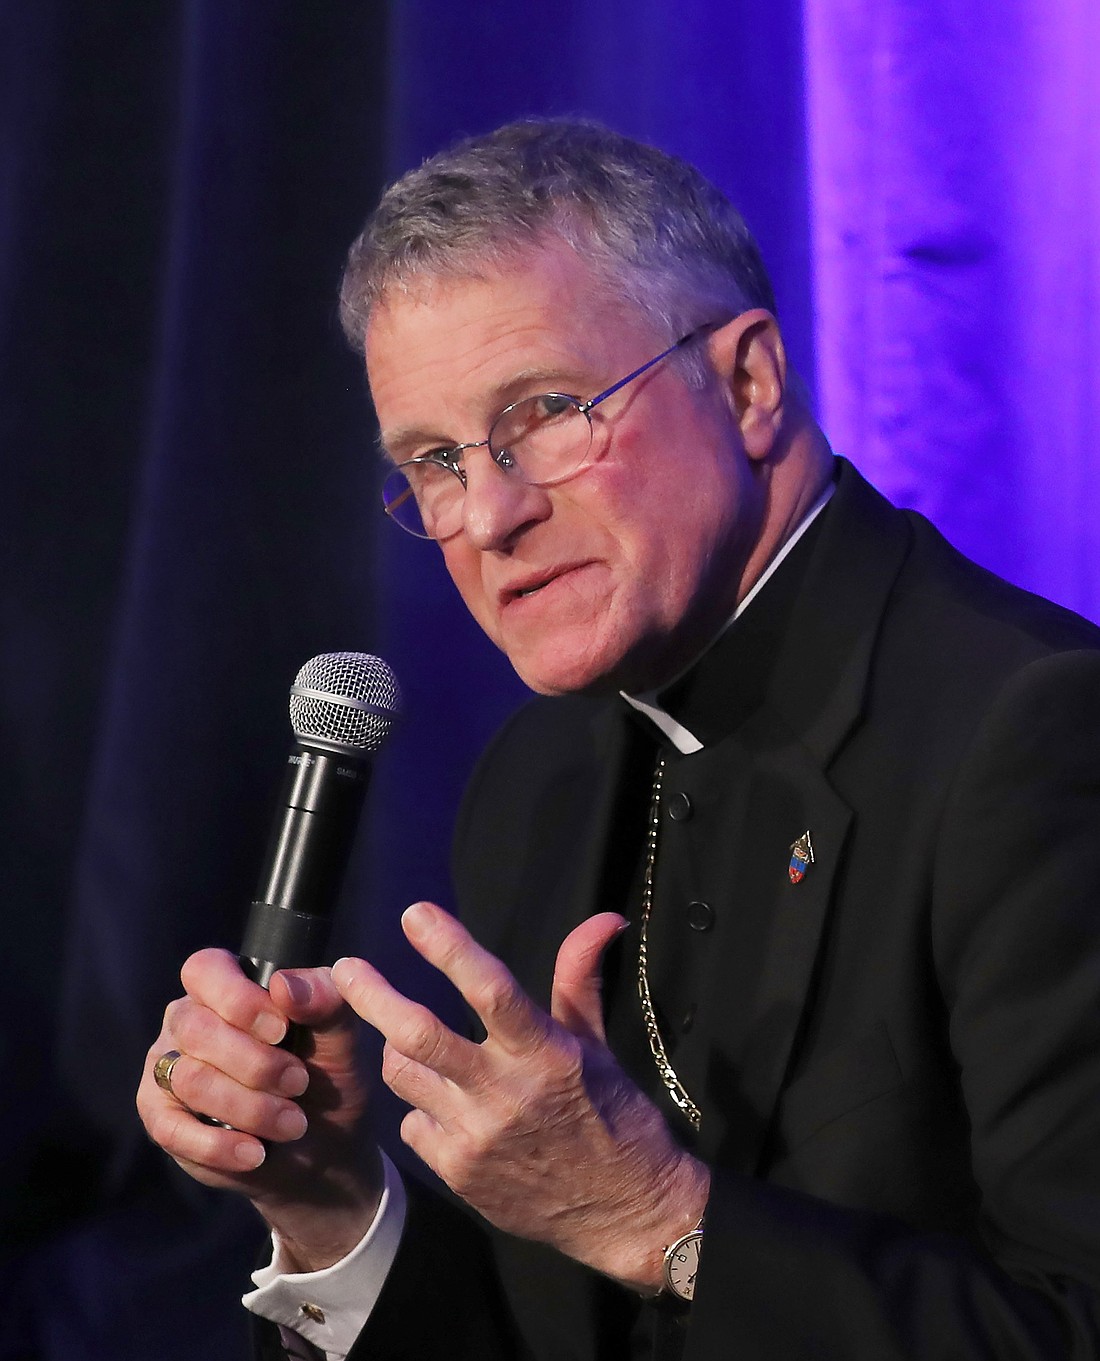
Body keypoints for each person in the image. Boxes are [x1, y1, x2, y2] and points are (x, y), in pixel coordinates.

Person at [136, 119, 1100, 1360]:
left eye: (543, 411)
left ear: (745, 383)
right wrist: (327, 1204)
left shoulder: (1035, 732)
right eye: (432, 460)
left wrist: (657, 1215)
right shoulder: (538, 779)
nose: (488, 514)